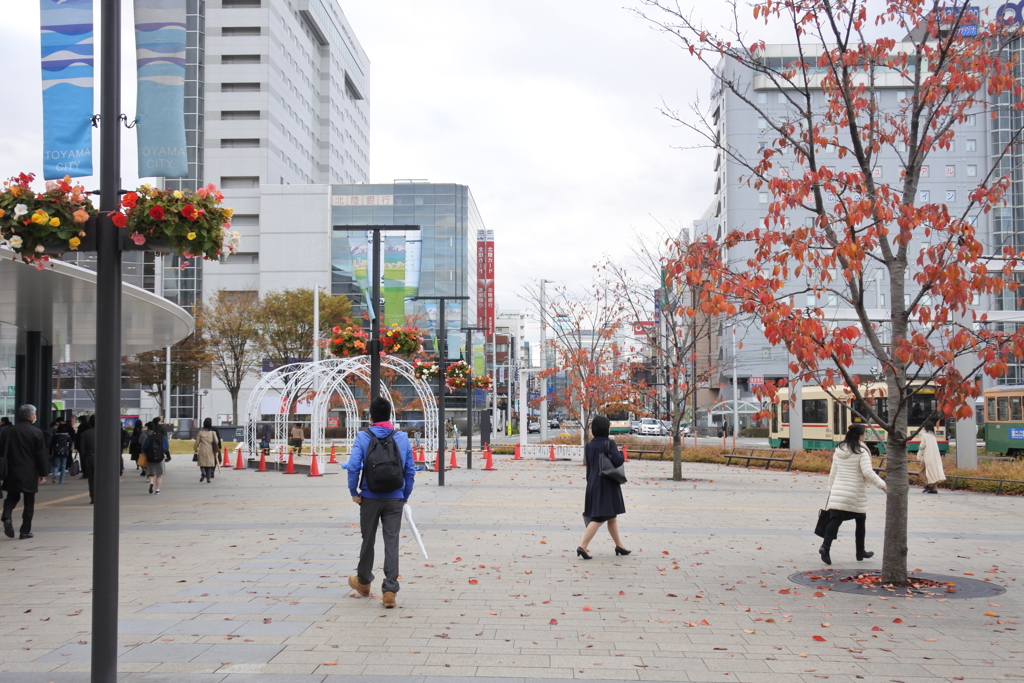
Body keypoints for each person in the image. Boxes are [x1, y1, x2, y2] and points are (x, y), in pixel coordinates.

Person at [347, 397, 415, 609]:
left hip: (369, 497)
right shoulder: (402, 438)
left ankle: (364, 582)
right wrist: (404, 495)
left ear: (371, 417)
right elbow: (410, 470)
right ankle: (390, 590)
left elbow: (353, 467)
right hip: (394, 497)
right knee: (392, 542)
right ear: (389, 416)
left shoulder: (363, 436)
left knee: (368, 539)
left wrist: (354, 491)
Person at [820, 424, 888, 565]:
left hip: (839, 490)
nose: (865, 436)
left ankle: (825, 547)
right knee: (861, 518)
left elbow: (833, 471)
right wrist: (883, 485)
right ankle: (860, 551)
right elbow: (868, 472)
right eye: (864, 433)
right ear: (860, 436)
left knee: (836, 519)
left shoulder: (839, 449)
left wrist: (831, 489)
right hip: (853, 492)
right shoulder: (861, 452)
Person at [577, 415, 629, 559]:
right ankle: (582, 546)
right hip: (607, 484)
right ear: (606, 428)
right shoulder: (609, 443)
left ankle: (620, 546)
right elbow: (619, 461)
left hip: (593, 483)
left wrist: (591, 482)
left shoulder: (589, 445)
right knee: (599, 517)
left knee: (611, 515)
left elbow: (588, 468)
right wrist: (618, 452)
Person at [1, 405, 49, 539]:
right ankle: (25, 530)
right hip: (29, 470)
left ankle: (6, 516)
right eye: (34, 414)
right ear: (31, 416)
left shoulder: (7, 431)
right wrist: (43, 473)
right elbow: (40, 455)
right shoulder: (36, 432)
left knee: (12, 496)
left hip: (11, 469)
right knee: (29, 500)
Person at [916, 420, 945, 494]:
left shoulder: (924, 435)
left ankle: (928, 484)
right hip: (935, 457)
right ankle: (934, 489)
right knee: (933, 471)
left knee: (921, 471)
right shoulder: (933, 435)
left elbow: (922, 446)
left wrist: (919, 454)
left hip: (927, 456)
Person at [143, 420, 170, 494]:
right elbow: (166, 448)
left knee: (151, 473)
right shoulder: (164, 438)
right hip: (160, 458)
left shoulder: (149, 437)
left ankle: (151, 482)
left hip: (150, 457)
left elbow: (144, 447)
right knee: (159, 475)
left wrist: (147, 453)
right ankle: (157, 490)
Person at [194, 418, 222, 483]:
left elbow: (197, 442)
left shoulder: (200, 432)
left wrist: (195, 448)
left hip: (202, 449)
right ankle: (208, 479)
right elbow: (216, 441)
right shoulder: (213, 433)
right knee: (209, 465)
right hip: (210, 450)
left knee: (202, 463)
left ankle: (203, 473)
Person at [79, 416, 97, 504]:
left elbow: (82, 449)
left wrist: (84, 460)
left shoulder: (85, 434)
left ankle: (93, 497)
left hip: (90, 458)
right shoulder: (105, 433)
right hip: (102, 459)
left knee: (91, 479)